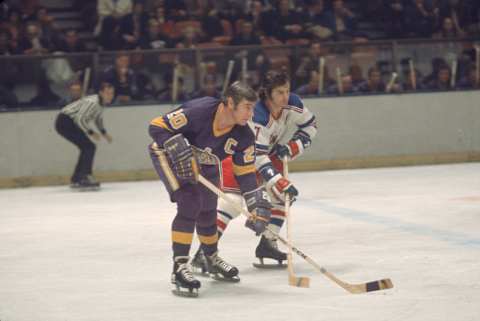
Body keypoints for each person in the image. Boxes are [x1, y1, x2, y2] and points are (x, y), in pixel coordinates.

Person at [148, 81, 273, 297]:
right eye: (247, 107)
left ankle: (210, 258)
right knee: (190, 202)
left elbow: (245, 175)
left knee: (208, 209)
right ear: (230, 102)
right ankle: (179, 267)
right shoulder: (200, 111)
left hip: (206, 162)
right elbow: (156, 126)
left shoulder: (244, 136)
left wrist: (256, 205)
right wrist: (174, 144)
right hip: (169, 156)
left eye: (253, 108)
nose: (251, 114)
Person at [192, 70, 317, 270]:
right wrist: (276, 179)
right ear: (268, 93)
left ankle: (267, 244)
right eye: (279, 92)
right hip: (237, 157)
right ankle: (204, 252)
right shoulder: (257, 115)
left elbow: (311, 126)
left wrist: (295, 146)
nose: (285, 96)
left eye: (287, 90)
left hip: (266, 156)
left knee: (282, 195)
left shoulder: (293, 103)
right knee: (232, 204)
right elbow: (256, 156)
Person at [55, 82, 114, 190]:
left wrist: (104, 133)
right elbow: (80, 119)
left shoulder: (101, 103)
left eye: (111, 93)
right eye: (107, 93)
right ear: (101, 93)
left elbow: (97, 118)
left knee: (87, 147)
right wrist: (91, 133)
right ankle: (84, 176)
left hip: (69, 122)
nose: (110, 96)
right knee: (89, 147)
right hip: (65, 121)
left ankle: (77, 178)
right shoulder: (93, 102)